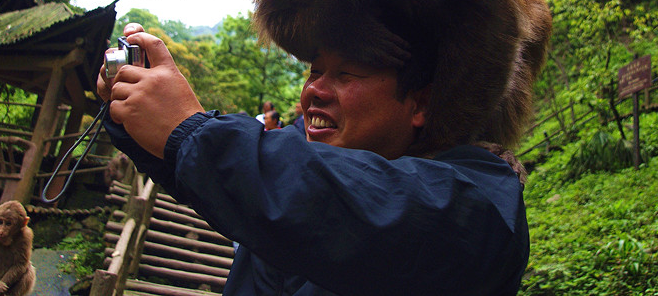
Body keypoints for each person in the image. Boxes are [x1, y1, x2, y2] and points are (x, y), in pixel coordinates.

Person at [98, 23, 529, 296]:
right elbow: (262, 177)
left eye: (346, 74)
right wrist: (139, 123)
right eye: (313, 71)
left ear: (421, 104)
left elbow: (347, 202)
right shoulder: (297, 162)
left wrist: (190, 131)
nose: (314, 91)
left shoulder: (482, 199)